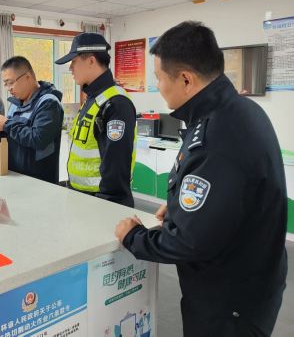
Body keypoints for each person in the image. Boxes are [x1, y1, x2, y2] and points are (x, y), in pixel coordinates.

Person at [115, 21, 287, 336]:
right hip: (251, 283)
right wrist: (181, 209)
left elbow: (187, 241)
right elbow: (229, 197)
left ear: (185, 79)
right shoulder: (240, 110)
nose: (158, 87)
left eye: (159, 78)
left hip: (229, 303)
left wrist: (134, 237)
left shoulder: (216, 136)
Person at [54, 33, 137, 207]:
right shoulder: (94, 98)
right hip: (82, 198)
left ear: (91, 61)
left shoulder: (116, 103)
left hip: (102, 202)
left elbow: (116, 165)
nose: (70, 68)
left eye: (74, 61)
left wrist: (105, 207)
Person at [0, 56, 64, 184]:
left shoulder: (48, 103)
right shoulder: (15, 104)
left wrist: (6, 124)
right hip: (14, 175)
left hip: (39, 181)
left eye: (11, 82)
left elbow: (38, 139)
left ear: (28, 77)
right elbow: (14, 134)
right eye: (5, 84)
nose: (8, 88)